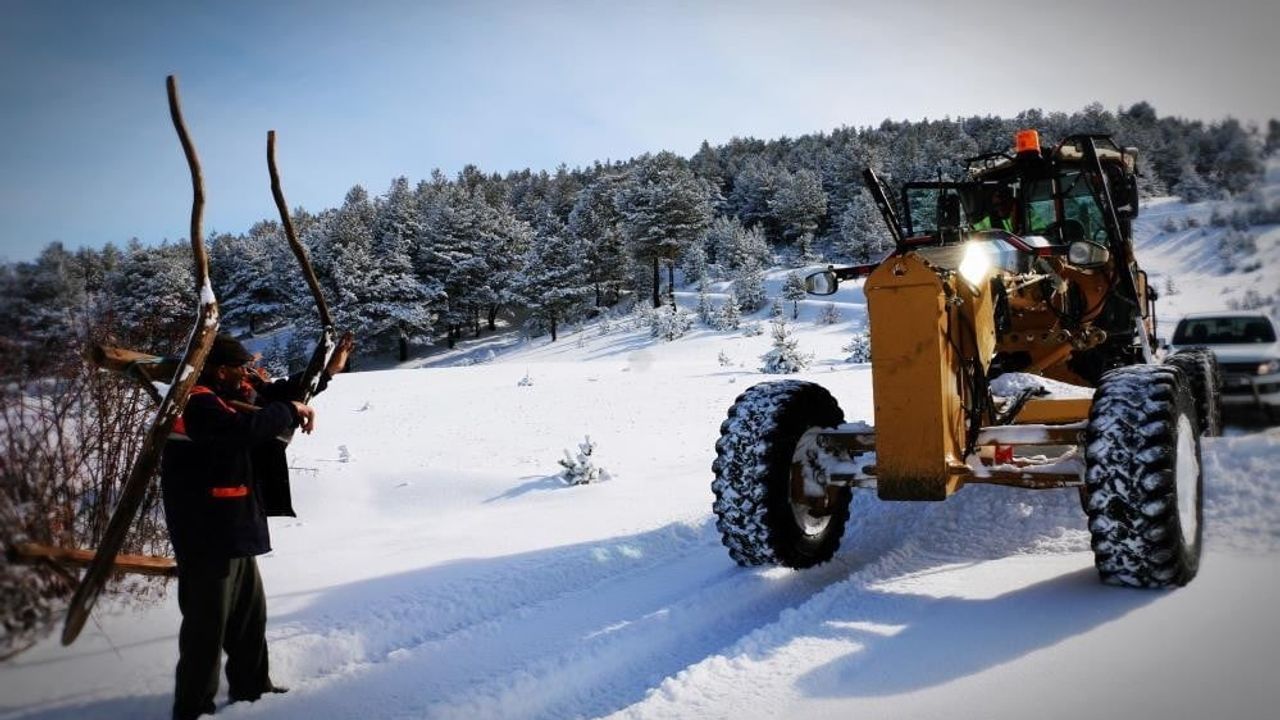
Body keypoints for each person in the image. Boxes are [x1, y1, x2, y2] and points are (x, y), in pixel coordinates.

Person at [161, 332, 352, 720]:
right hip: (206, 532)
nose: (246, 375)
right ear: (218, 370)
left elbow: (278, 395)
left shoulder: (228, 392)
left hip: (234, 527)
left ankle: (252, 689)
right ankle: (193, 709)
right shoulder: (193, 401)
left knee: (249, 617)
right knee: (205, 626)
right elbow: (242, 431)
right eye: (239, 368)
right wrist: (289, 409)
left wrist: (326, 372)